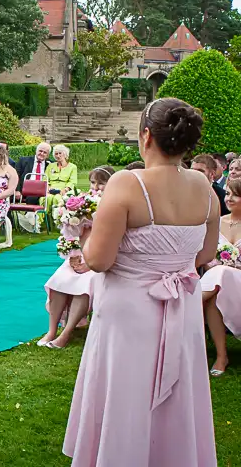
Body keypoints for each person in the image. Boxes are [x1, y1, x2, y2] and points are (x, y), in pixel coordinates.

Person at [63, 97, 218, 466]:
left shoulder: (127, 183)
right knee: (178, 392)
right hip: (182, 310)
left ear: (146, 136)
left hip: (129, 313)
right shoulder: (203, 186)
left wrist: (82, 233)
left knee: (126, 393)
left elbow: (99, 260)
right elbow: (204, 254)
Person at [39, 166, 115, 350]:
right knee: (60, 279)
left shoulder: (114, 206)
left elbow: (113, 241)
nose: (96, 187)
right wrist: (72, 255)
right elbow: (70, 233)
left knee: (83, 286)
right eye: (93, 182)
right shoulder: (84, 202)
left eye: (101, 183)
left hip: (99, 261)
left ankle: (66, 333)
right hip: (79, 256)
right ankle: (51, 330)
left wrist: (91, 264)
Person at [200, 177, 241, 377]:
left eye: (236, 194)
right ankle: (221, 356)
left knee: (221, 273)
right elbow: (206, 256)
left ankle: (189, 303)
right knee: (215, 291)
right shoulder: (218, 222)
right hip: (217, 283)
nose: (229, 198)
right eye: (227, 193)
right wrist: (213, 263)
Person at [43, 144, 78, 216]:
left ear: (65, 154)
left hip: (64, 189)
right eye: (56, 154)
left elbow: (73, 181)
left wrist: (66, 189)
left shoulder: (72, 167)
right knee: (47, 199)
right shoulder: (50, 166)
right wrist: (48, 187)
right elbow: (45, 178)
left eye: (60, 153)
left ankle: (56, 221)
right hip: (50, 189)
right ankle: (44, 222)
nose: (58, 155)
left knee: (57, 199)